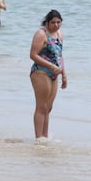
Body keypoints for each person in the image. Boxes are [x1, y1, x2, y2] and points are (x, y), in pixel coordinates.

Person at [29, 10, 67, 140]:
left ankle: (44, 137)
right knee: (42, 106)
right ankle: (38, 137)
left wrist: (64, 75)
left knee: (48, 107)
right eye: (53, 22)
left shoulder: (60, 34)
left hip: (55, 73)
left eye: (58, 22)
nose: (56, 25)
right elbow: (33, 55)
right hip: (41, 71)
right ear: (47, 22)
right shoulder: (41, 34)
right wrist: (50, 66)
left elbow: (60, 55)